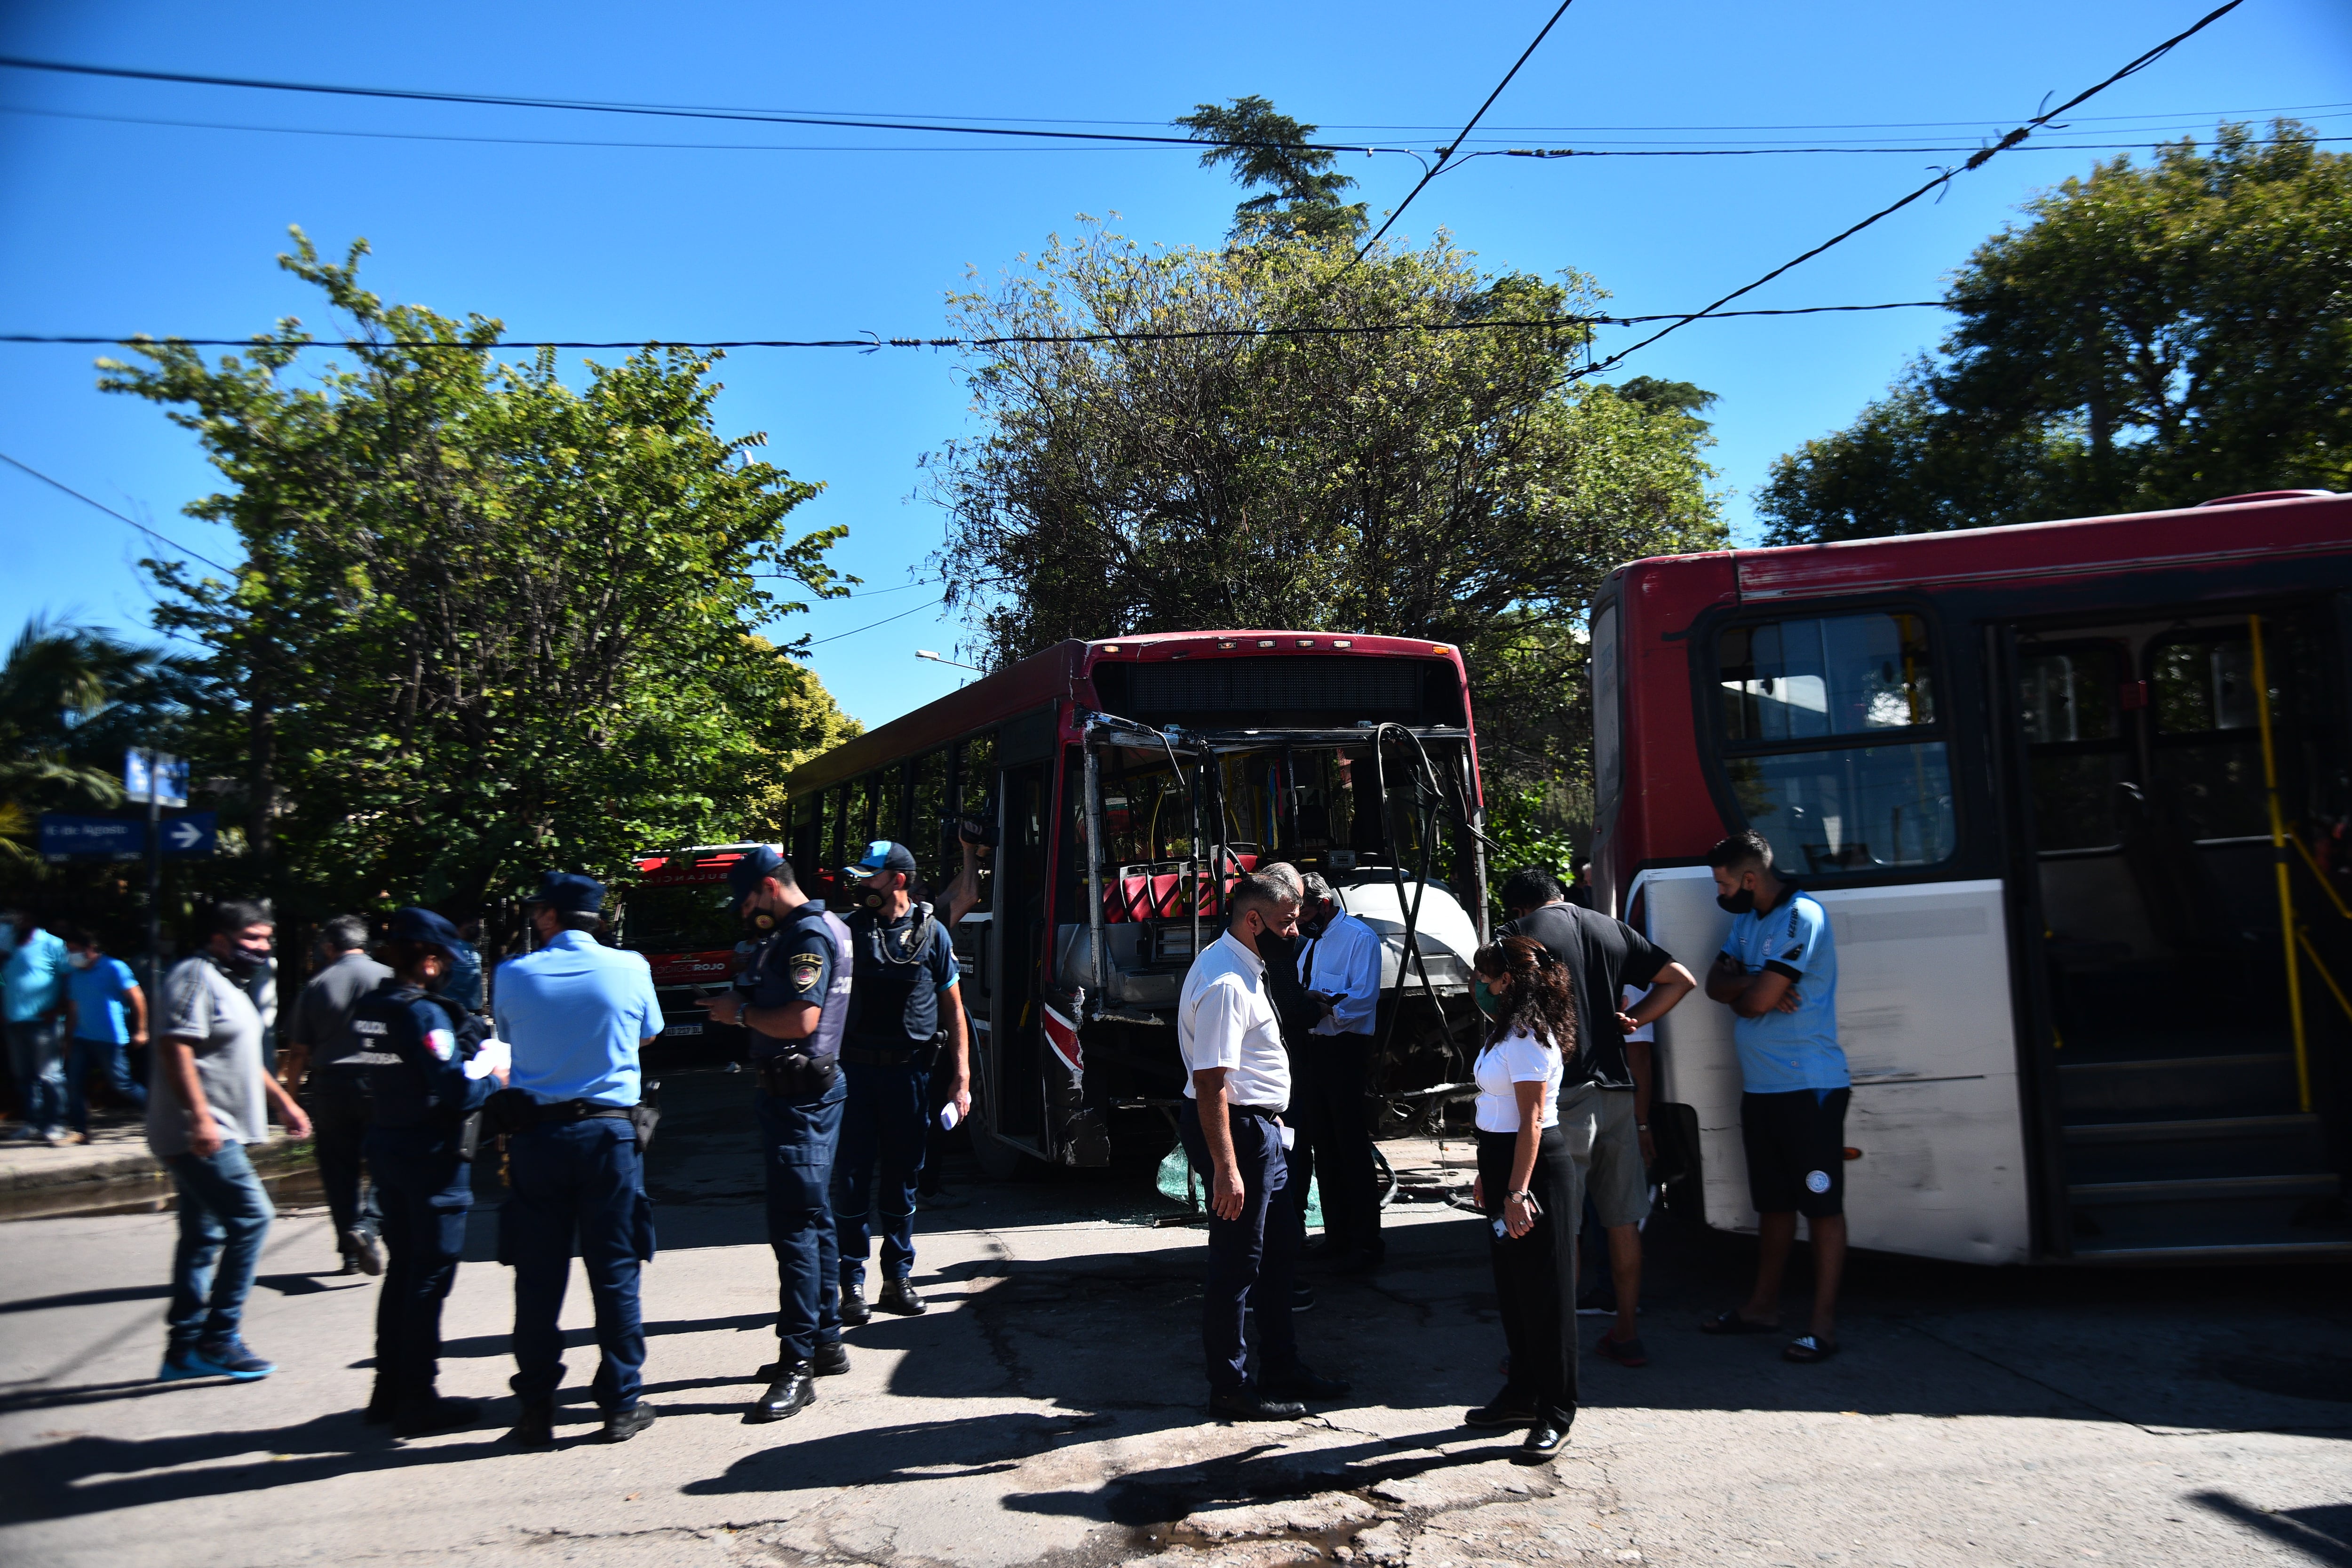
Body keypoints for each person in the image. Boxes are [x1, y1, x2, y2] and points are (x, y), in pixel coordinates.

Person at [1498, 867, 1697, 1369]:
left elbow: (1500, 1011)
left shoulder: (1519, 938)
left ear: (1520, 907)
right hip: (1617, 1094)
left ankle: (1552, 1351)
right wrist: (1636, 1019)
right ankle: (1625, 1334)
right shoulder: (1609, 928)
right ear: (1557, 895)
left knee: (1558, 1229)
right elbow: (1679, 980)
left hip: (1563, 1098)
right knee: (1622, 1221)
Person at [492, 872, 664, 1446]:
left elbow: (511, 1039)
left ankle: (536, 1408)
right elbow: (648, 1036)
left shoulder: (513, 975)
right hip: (609, 1136)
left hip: (537, 1139)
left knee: (538, 1278)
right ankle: (620, 1403)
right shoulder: (632, 968)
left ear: (550, 917)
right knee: (615, 1271)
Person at [1176, 870, 1348, 1420]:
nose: (1294, 931)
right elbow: (1210, 1084)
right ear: (1253, 920)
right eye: (1285, 922)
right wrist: (1227, 1169)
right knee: (1237, 1265)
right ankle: (1229, 1388)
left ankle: (1282, 1366)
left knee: (1278, 1257)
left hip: (1264, 1131)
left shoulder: (1247, 965)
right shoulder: (1227, 981)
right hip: (1239, 1132)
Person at [704, 845, 854, 1422]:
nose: (743, 912)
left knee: (793, 1229)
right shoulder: (815, 929)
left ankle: (797, 1365)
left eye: (746, 899)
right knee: (812, 1221)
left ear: (769, 885)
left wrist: (737, 1014)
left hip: (801, 1097)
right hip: (804, 1094)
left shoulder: (806, 938)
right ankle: (824, 1341)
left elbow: (800, 1019)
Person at [1699, 829, 1848, 1364]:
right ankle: (1762, 1308)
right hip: (1761, 1088)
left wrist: (1751, 985)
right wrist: (1755, 984)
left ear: (1749, 878)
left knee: (1822, 1206)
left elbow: (1751, 1003)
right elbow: (1716, 985)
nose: (1718, 893)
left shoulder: (1800, 916)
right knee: (1774, 1205)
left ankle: (1822, 1329)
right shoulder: (1746, 921)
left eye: (1722, 883)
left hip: (1809, 1088)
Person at [149, 900, 312, 1381]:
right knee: (252, 1218)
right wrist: (199, 1117)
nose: (262, 949)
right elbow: (176, 1044)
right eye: (253, 939)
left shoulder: (226, 984)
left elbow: (239, 1055)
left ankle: (182, 1351)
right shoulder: (194, 978)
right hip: (203, 1133)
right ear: (219, 938)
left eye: (266, 940)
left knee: (203, 1236)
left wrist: (284, 1101)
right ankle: (219, 1338)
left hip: (217, 1130)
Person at [351, 907, 495, 1436]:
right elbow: (455, 1089)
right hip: (429, 1155)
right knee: (428, 1276)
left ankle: (387, 1389)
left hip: (388, 1144)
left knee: (403, 1270)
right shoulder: (422, 1014)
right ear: (431, 962)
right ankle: (417, 1397)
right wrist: (493, 1078)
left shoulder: (372, 1006)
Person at [830, 840, 970, 1322]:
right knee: (849, 1180)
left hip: (909, 1074)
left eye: (869, 876)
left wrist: (962, 1080)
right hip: (854, 1074)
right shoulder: (847, 933)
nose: (859, 885)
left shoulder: (932, 935)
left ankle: (897, 1279)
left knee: (902, 1180)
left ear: (898, 880)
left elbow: (954, 1010)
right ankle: (851, 1282)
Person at [1463, 935, 1580, 1461]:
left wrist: (1516, 1190)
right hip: (1503, 1162)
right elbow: (1497, 1113)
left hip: (1532, 1170)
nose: (1479, 986)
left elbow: (1531, 1121)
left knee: (1545, 1294)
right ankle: (1521, 1394)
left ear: (1507, 980)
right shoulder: (1504, 1031)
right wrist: (1489, 1174)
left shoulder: (1530, 1038)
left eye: (1485, 976)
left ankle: (1556, 1411)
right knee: (1513, 1290)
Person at [280, 915, 394, 1275]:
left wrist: (290, 1099)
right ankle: (369, 1226)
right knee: (388, 1162)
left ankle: (349, 1249)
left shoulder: (317, 985)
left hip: (331, 1085)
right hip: (383, 1082)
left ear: (330, 947)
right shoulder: (389, 978)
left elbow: (298, 1050)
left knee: (338, 1169)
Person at [1292, 872, 1384, 1272]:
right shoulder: (1308, 940)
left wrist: (1328, 1008)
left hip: (1345, 1050)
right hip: (1313, 1050)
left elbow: (1362, 998)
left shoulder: (1360, 938)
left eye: (1307, 912)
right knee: (1323, 1146)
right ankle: (1336, 1234)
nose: (1302, 920)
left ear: (1324, 906)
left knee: (1351, 1146)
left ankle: (1366, 1240)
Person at [62, 926, 147, 1142]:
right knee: (74, 1083)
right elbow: (73, 1009)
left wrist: (141, 1030)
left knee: (122, 1084)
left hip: (110, 1039)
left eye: (75, 950)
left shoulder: (115, 968)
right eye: (69, 950)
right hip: (82, 1037)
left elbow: (137, 998)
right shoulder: (75, 975)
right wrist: (68, 1039)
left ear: (90, 948)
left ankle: (163, 1114)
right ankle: (79, 1130)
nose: (72, 955)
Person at [4, 908, 71, 1143]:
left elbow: (68, 978)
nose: (12, 924)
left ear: (30, 920)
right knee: (23, 1076)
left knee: (49, 1075)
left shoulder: (52, 944)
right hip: (14, 1022)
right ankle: (32, 1123)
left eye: (17, 919)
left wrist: (59, 1009)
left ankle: (56, 1124)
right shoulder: (8, 945)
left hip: (44, 1023)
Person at [444, 918, 486, 1016]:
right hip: (454, 1007)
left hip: (470, 1009)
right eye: (471, 925)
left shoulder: (472, 950)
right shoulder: (452, 949)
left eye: (477, 926)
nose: (476, 928)